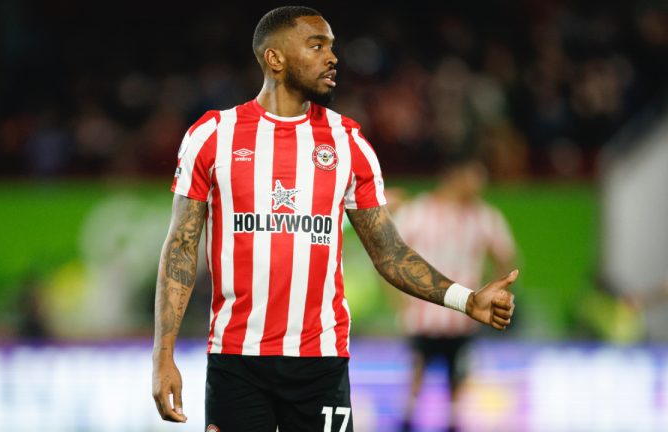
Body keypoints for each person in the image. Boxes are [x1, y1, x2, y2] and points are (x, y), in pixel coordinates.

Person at [151, 7, 518, 432]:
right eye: (317, 45)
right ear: (275, 59)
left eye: (332, 46)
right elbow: (179, 246)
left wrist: (467, 300)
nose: (333, 57)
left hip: (321, 366)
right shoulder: (213, 135)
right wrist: (163, 357)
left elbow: (390, 253)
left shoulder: (348, 142)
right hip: (237, 362)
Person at [392, 156, 516, 432]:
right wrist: (399, 301)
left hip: (462, 319)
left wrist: (490, 290)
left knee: (457, 378)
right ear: (454, 176)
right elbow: (391, 257)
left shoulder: (484, 217)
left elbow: (505, 257)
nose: (479, 185)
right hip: (422, 316)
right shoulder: (418, 212)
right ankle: (408, 419)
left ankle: (451, 421)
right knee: (417, 371)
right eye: (474, 177)